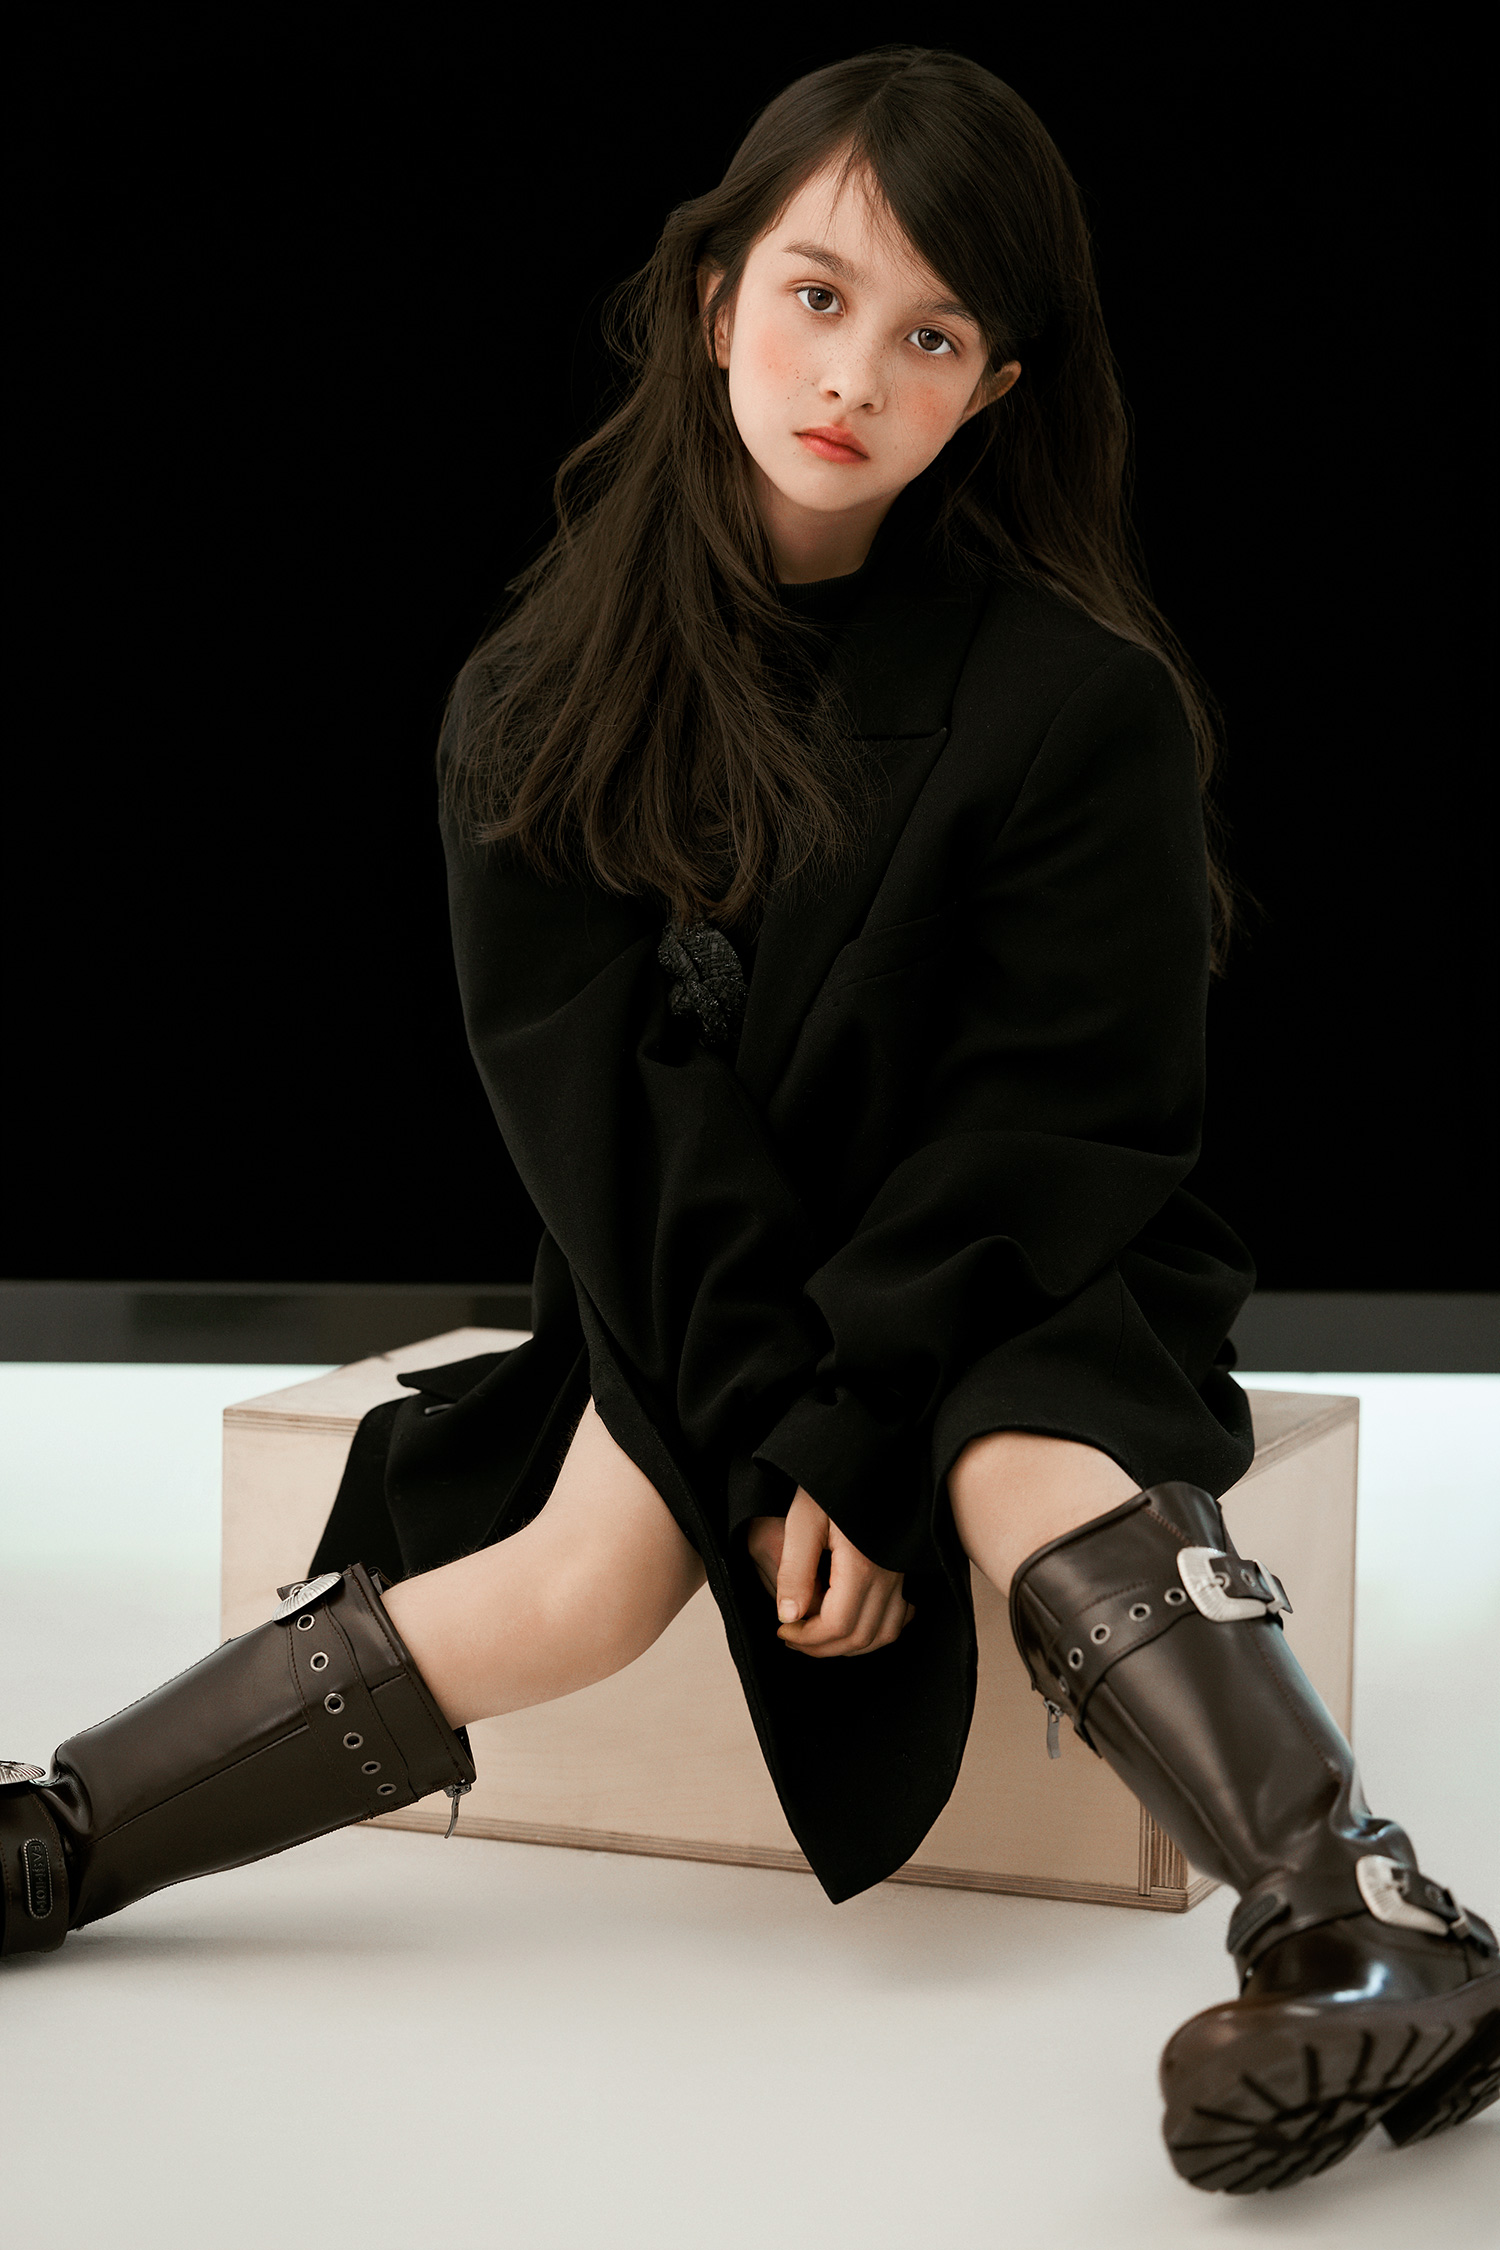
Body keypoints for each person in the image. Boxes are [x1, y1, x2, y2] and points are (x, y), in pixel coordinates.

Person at [3, 47, 1494, 2197]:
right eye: (816, 296)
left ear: (994, 389)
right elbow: (617, 1132)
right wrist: (786, 1426)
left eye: (934, 336)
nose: (857, 375)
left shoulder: (1076, 699)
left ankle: (1351, 1909)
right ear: (715, 301)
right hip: (707, 1269)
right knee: (590, 1567)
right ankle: (53, 1834)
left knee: (1020, 1445)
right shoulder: (539, 707)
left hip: (1007, 1250)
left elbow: (1062, 1117)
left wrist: (865, 1429)